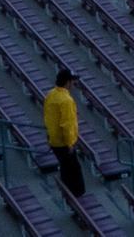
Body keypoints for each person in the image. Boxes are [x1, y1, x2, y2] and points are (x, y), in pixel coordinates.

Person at [45, 69, 84, 197]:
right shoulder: (66, 100)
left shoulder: (51, 94)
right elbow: (67, 124)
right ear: (67, 82)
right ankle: (76, 200)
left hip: (54, 140)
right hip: (63, 142)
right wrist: (70, 144)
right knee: (74, 172)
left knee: (66, 169)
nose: (74, 84)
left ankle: (68, 196)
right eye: (73, 81)